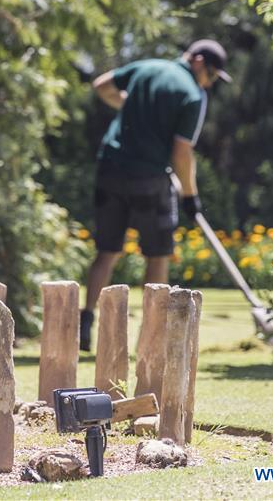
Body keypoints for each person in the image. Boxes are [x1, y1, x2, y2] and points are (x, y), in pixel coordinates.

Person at [80, 39, 231, 351]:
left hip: (109, 168)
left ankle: (86, 320)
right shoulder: (192, 94)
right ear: (199, 61)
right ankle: (153, 332)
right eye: (212, 75)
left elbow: (101, 86)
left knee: (107, 250)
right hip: (149, 178)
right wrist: (191, 196)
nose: (210, 82)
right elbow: (182, 153)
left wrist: (132, 107)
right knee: (158, 253)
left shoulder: (147, 67)